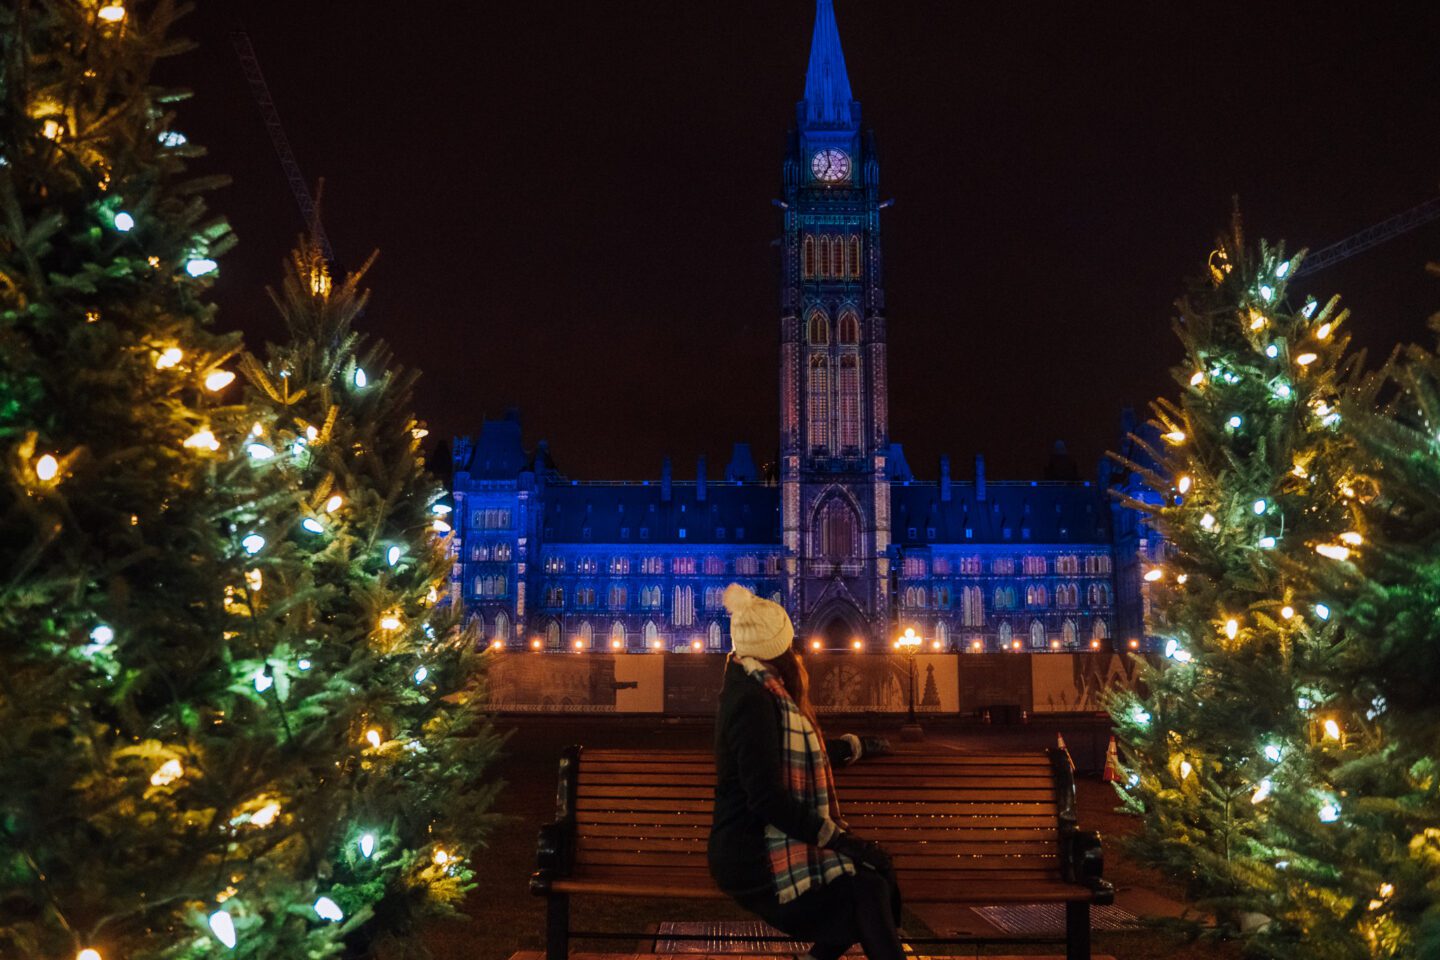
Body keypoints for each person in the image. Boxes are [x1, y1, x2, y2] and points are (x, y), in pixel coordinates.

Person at [708, 584, 905, 960]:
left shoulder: (754, 685)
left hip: (769, 840)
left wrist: (852, 747)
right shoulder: (752, 700)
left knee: (870, 884)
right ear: (778, 648)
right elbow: (766, 796)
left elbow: (785, 753)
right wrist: (839, 839)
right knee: (866, 888)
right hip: (752, 853)